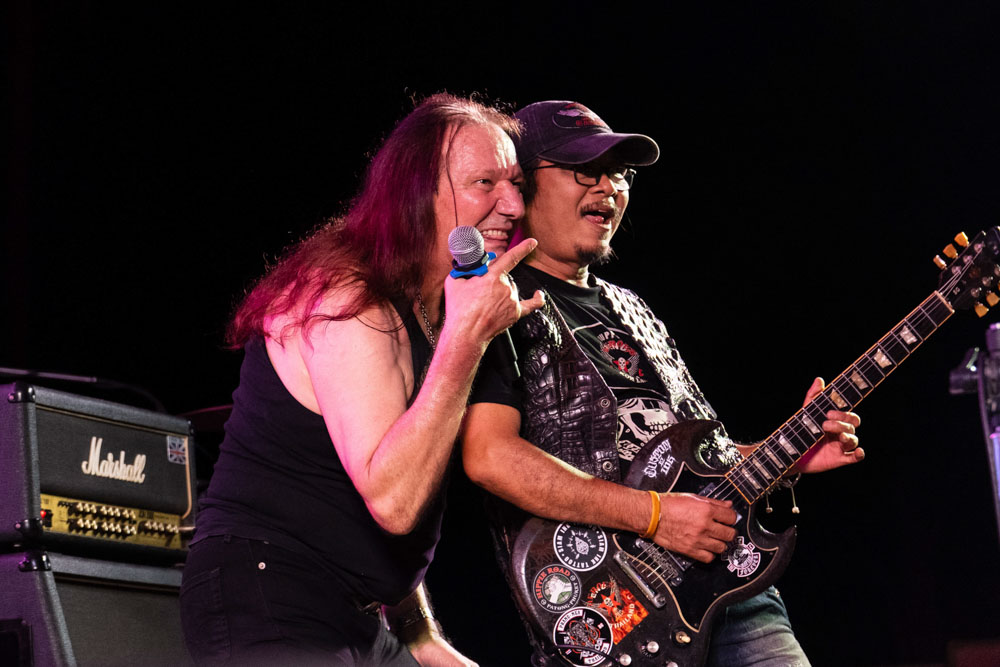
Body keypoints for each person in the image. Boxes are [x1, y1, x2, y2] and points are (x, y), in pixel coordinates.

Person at [461, 101, 864, 666]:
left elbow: (690, 469)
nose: (607, 188)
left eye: (618, 173)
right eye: (585, 171)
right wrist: (653, 515)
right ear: (522, 184)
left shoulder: (633, 308)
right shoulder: (499, 303)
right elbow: (489, 457)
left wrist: (786, 457)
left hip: (733, 584)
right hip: (618, 611)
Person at [179, 93, 545, 666]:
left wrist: (420, 637)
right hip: (268, 590)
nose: (513, 204)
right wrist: (467, 340)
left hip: (357, 613)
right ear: (417, 194)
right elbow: (393, 501)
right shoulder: (346, 297)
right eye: (485, 183)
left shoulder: (429, 305)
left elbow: (399, 480)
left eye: (517, 184)